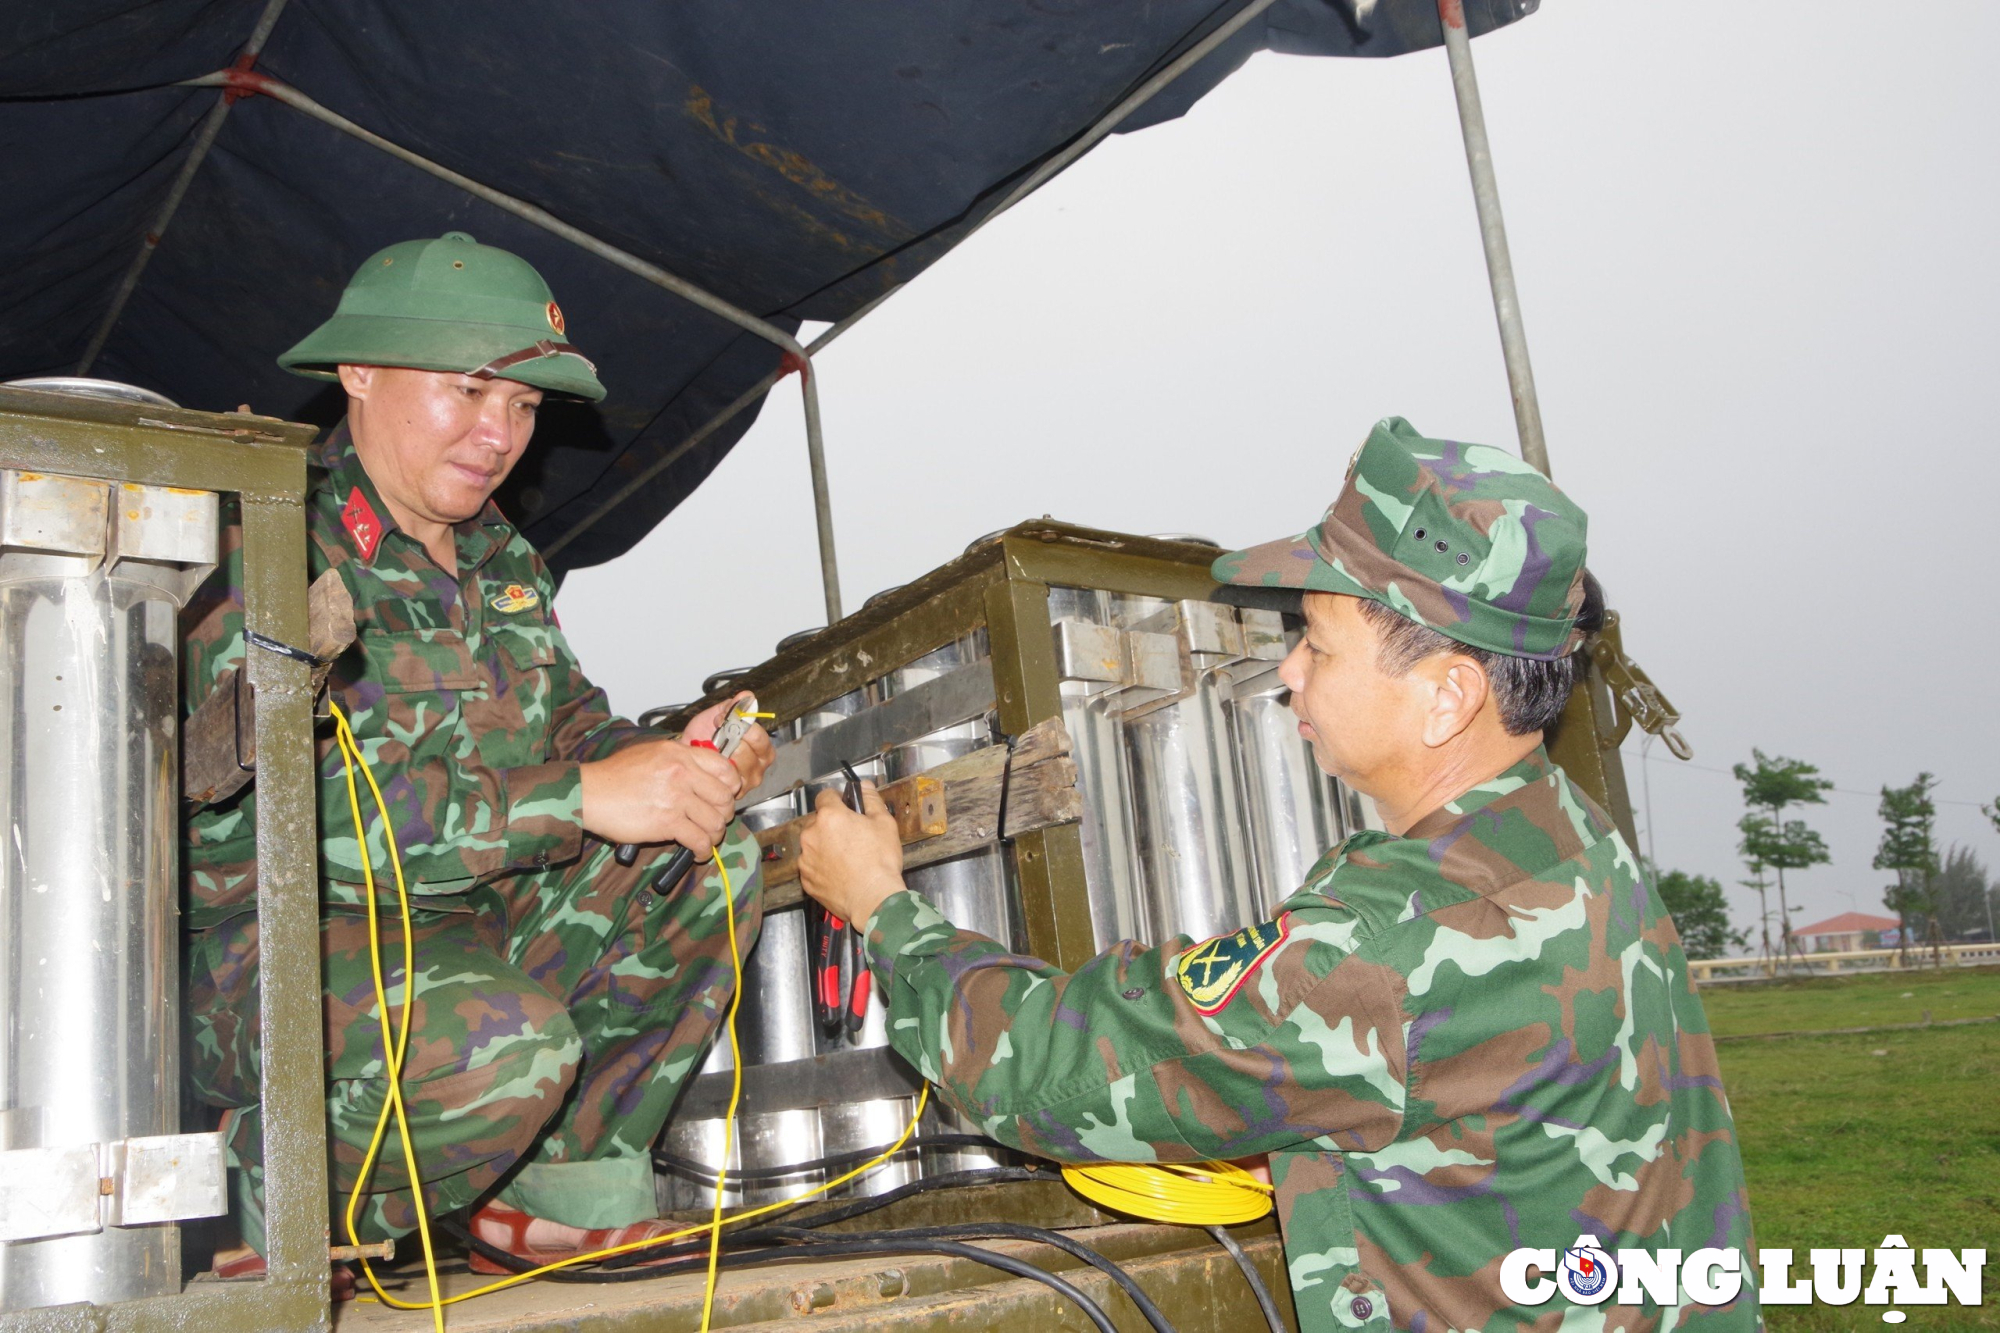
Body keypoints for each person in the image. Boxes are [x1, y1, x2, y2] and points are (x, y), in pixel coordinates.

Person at [798, 417, 1759, 1331]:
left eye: (1318, 644)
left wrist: (881, 907)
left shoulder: (1389, 942)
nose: (1292, 672)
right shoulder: (1566, 825)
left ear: (1447, 697)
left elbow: (1053, 1071)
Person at [182, 232, 773, 1280]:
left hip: (468, 925)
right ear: (356, 373)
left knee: (710, 860)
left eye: (525, 408)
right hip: (276, 947)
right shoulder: (261, 542)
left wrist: (674, 761)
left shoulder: (505, 563)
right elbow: (267, 819)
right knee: (512, 1041)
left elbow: (576, 732)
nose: (499, 433)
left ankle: (552, 1195)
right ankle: (251, 1208)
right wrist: (580, 797)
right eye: (468, 392)